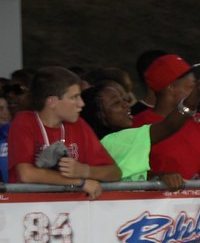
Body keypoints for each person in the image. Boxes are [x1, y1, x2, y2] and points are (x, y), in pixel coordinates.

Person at [81, 76, 200, 190]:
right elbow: (169, 125)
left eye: (123, 99)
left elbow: (129, 176)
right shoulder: (115, 140)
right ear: (101, 116)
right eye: (116, 103)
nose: (126, 105)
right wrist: (195, 96)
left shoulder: (100, 142)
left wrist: (157, 177)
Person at [7, 65, 122, 198]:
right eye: (74, 97)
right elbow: (26, 174)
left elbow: (115, 172)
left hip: (69, 210)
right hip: (28, 210)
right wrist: (78, 182)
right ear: (52, 102)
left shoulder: (79, 125)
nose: (81, 104)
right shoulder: (24, 121)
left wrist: (85, 171)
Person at [131, 54, 200, 183]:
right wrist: (158, 178)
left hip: (198, 202)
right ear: (171, 87)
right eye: (191, 87)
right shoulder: (137, 125)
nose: (197, 91)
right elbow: (125, 174)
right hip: (153, 202)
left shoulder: (199, 120)